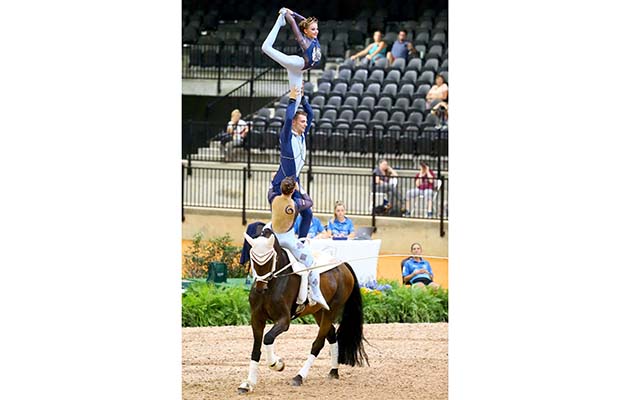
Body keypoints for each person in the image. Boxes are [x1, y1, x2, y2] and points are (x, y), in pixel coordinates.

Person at [267, 85, 314, 239]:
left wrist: (304, 99)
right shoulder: (287, 137)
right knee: (284, 214)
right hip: (282, 182)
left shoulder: (302, 136)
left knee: (307, 214)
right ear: (294, 123)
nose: (305, 124)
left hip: (294, 181)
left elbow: (311, 114)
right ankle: (275, 238)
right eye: (302, 121)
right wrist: (293, 99)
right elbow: (287, 118)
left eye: (305, 122)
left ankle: (301, 241)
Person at [261, 8, 321, 110]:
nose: (316, 32)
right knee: (265, 47)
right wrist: (285, 13)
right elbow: (293, 23)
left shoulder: (313, 38)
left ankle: (290, 124)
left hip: (300, 69)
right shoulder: (303, 42)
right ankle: (279, 22)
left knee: (296, 101)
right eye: (313, 29)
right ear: (306, 31)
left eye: (316, 29)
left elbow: (304, 20)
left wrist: (293, 13)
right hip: (296, 64)